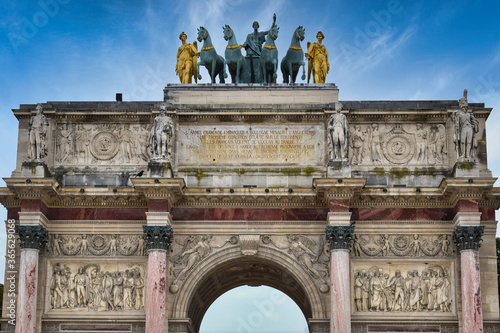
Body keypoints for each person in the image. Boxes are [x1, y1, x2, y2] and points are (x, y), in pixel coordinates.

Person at [452, 89, 479, 162]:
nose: (465, 109)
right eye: (464, 107)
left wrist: (474, 124)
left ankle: (468, 155)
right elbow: (454, 119)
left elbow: (475, 122)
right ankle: (463, 155)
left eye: (466, 108)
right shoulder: (459, 114)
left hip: (469, 128)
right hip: (463, 128)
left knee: (469, 142)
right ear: (461, 108)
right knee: (463, 142)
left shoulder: (470, 114)